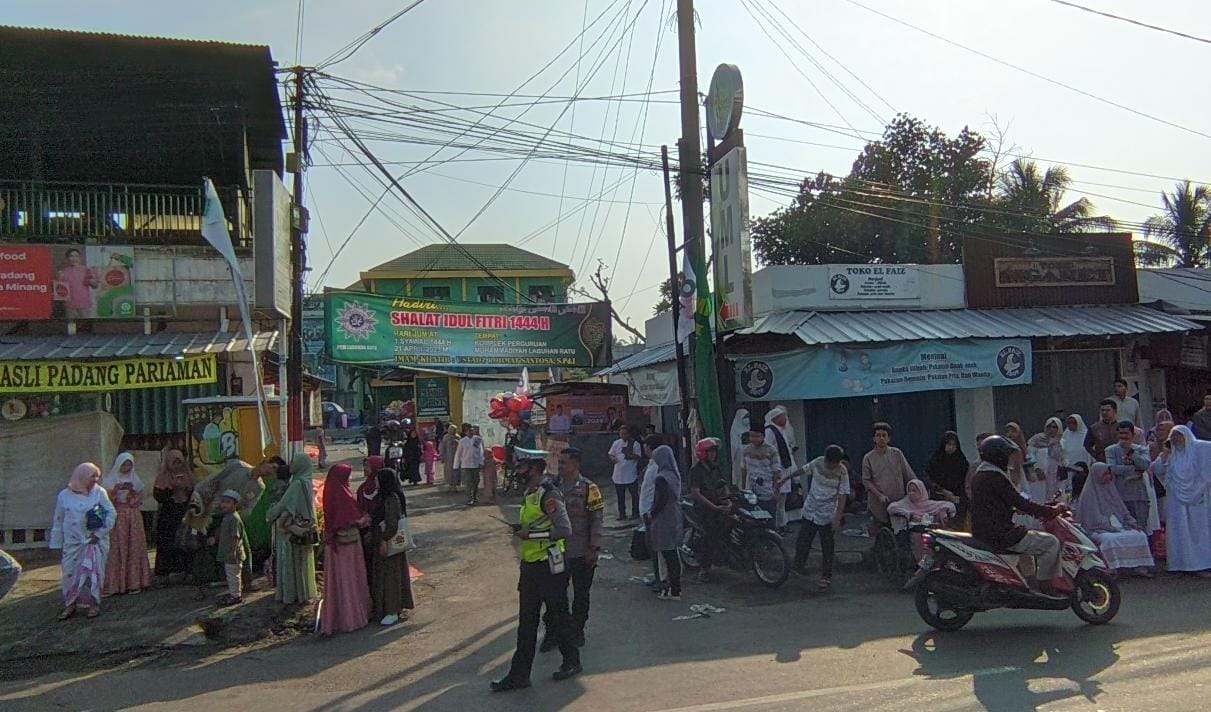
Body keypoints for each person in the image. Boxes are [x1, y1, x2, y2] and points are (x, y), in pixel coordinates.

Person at [491, 453, 581, 692]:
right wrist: (524, 529)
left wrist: (530, 535)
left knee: (559, 617)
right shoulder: (529, 493)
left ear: (535, 469)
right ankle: (519, 675)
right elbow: (538, 523)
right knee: (527, 623)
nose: (518, 472)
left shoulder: (548, 494)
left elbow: (564, 529)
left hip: (550, 566)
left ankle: (572, 661)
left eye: (523, 468)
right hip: (531, 565)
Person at [969, 436, 1067, 594]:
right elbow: (1021, 502)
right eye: (1006, 455)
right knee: (1051, 543)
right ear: (998, 456)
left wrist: (1017, 508)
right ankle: (1045, 585)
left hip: (986, 530)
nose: (1009, 460)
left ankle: (1029, 586)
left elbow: (995, 504)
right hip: (999, 533)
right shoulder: (995, 477)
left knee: (1026, 550)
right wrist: (1051, 511)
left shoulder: (981, 475)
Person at [540, 447, 604, 651]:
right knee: (553, 595)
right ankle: (554, 633)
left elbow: (597, 520)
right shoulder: (552, 488)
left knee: (581, 594)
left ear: (575, 464)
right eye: (559, 463)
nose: (560, 466)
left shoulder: (588, 488)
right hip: (557, 552)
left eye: (564, 463)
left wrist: (593, 548)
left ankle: (577, 630)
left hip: (581, 551)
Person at [50, 463, 116, 620]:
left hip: (94, 543)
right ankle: (70, 604)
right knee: (69, 574)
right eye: (91, 476)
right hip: (72, 544)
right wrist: (56, 544)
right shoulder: (64, 496)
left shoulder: (99, 493)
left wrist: (98, 534)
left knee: (93, 573)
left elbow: (111, 513)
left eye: (96, 476)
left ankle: (94, 604)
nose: (95, 479)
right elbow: (58, 520)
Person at [1074, 464, 1154, 577]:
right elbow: (1091, 519)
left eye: (1108, 474)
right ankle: (1111, 568)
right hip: (1099, 528)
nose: (1107, 477)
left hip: (1120, 525)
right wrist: (1110, 527)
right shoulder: (1089, 494)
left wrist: (1132, 522)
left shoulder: (1111, 489)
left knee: (1140, 535)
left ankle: (1138, 566)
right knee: (1110, 539)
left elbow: (1123, 510)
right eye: (1104, 474)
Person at [318, 464, 371, 634]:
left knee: (337, 582)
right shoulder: (342, 494)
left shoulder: (330, 490)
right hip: (347, 545)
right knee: (349, 580)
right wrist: (364, 519)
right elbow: (349, 519)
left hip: (333, 546)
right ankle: (352, 617)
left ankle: (337, 619)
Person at [794, 445, 850, 590]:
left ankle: (826, 575)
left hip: (827, 513)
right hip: (811, 508)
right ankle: (797, 568)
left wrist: (838, 518)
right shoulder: (818, 463)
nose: (831, 466)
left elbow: (843, 495)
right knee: (803, 541)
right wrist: (786, 478)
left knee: (827, 546)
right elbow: (804, 470)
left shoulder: (842, 472)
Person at [266, 453, 318, 605]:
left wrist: (270, 515)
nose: (291, 465)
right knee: (302, 563)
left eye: (294, 462)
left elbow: (283, 505)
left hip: (291, 530)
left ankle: (290, 594)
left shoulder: (296, 484)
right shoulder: (306, 481)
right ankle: (304, 592)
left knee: (290, 562)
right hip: (304, 529)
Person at [1162, 426, 1211, 576]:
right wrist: (1165, 454)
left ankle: (1201, 565)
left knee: (1199, 532)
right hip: (1177, 501)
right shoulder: (1173, 455)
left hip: (1198, 498)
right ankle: (1181, 564)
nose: (1176, 439)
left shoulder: (1199, 449)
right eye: (1173, 436)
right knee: (1179, 532)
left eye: (1179, 435)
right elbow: (1156, 469)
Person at [370, 467, 416, 626]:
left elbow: (392, 523)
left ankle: (393, 610)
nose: (375, 481)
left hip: (390, 545)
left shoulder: (391, 498)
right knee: (387, 577)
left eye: (377, 479)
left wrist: (383, 539)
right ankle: (387, 608)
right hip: (386, 543)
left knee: (391, 578)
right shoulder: (384, 496)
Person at [101, 452, 151, 596]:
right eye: (124, 464)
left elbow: (140, 498)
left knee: (134, 547)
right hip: (117, 517)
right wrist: (115, 491)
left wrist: (132, 491)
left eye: (129, 464)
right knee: (117, 548)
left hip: (133, 517)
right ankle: (115, 584)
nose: (127, 467)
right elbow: (105, 502)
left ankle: (135, 583)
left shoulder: (136, 480)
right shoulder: (109, 481)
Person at [688, 438, 730, 580]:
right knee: (711, 535)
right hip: (704, 509)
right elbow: (696, 493)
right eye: (710, 451)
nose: (713, 454)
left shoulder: (716, 467)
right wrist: (713, 507)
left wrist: (728, 499)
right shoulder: (696, 470)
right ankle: (705, 568)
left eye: (714, 451)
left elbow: (723, 485)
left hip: (719, 504)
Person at [646, 445, 684, 601]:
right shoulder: (674, 474)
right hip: (675, 515)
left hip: (664, 518)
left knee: (668, 555)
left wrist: (651, 514)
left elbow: (660, 500)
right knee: (673, 553)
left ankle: (673, 590)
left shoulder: (661, 478)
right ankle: (676, 588)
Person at [1104, 421, 1156, 533]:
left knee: (1141, 528)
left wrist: (1131, 453)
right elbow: (1112, 468)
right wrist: (1134, 470)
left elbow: (1145, 465)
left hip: (1139, 495)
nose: (1123, 436)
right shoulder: (1110, 450)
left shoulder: (1141, 449)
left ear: (1132, 435)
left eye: (1126, 433)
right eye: (1120, 433)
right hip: (1120, 495)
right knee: (1123, 528)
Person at [861, 422, 916, 525]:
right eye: (878, 435)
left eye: (884, 435)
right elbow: (866, 481)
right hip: (878, 503)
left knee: (900, 532)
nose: (881, 438)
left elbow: (908, 473)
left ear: (888, 438)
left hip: (898, 501)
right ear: (874, 438)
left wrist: (917, 489)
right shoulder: (868, 457)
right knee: (881, 535)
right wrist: (879, 495)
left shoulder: (897, 453)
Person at [152, 449, 193, 584]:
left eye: (179, 462)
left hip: (184, 514)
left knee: (183, 542)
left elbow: (193, 492)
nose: (176, 466)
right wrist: (171, 489)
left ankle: (185, 571)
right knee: (167, 544)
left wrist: (184, 489)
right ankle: (165, 573)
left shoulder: (187, 474)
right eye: (174, 462)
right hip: (168, 517)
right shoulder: (163, 477)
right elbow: (158, 496)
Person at [764, 405, 799, 531]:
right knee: (776, 499)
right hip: (777, 470)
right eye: (783, 416)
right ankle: (775, 526)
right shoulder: (770, 431)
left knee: (782, 500)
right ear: (776, 418)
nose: (785, 418)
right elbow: (768, 450)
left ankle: (782, 524)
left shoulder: (782, 430)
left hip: (784, 469)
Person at [923, 432, 970, 523]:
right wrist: (942, 491)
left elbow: (966, 480)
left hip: (958, 501)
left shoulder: (961, 461)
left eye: (953, 444)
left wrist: (958, 497)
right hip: (939, 500)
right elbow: (927, 478)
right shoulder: (935, 460)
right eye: (948, 444)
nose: (951, 447)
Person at [213, 490, 247, 605]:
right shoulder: (227, 517)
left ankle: (236, 596)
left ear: (235, 504)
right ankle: (234, 593)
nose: (224, 505)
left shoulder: (234, 518)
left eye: (227, 502)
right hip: (228, 553)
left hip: (233, 554)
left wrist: (232, 551)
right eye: (223, 502)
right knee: (231, 574)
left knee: (233, 575)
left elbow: (235, 537)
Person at [740, 426, 783, 518]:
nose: (753, 439)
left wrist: (776, 490)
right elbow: (743, 470)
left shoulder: (771, 450)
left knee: (769, 519)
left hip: (768, 492)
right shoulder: (746, 450)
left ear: (763, 436)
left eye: (757, 436)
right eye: (751, 436)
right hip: (751, 492)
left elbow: (777, 472)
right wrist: (743, 488)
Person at [608, 425, 643, 520]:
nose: (623, 436)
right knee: (620, 497)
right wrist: (613, 459)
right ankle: (622, 514)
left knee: (634, 495)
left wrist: (630, 454)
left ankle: (635, 513)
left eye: (625, 434)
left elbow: (639, 457)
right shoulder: (616, 443)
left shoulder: (635, 444)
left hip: (630, 473)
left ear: (629, 434)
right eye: (621, 434)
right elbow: (611, 454)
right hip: (618, 474)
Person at [1027, 418, 1066, 501]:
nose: (1051, 429)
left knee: (1055, 498)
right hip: (1040, 474)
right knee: (1039, 498)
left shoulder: (1061, 442)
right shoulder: (1037, 439)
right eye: (1049, 427)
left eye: (1055, 427)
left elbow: (1063, 459)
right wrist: (1036, 468)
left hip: (1055, 475)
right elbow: (1030, 455)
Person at [454, 423, 485, 505]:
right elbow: (458, 454)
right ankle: (469, 498)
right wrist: (456, 465)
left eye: (471, 430)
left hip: (475, 464)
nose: (471, 432)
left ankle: (474, 497)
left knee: (476, 482)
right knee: (468, 483)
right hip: (466, 465)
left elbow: (481, 452)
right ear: (465, 432)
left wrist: (481, 462)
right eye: (468, 431)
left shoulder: (478, 439)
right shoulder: (462, 441)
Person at [1061, 414, 1093, 484]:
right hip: (1068, 467)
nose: (1070, 425)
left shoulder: (1086, 434)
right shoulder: (1065, 435)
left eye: (1072, 422)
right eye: (1068, 423)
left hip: (1083, 467)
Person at [729, 408, 751, 487]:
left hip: (749, 455)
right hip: (739, 455)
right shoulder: (735, 429)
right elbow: (734, 444)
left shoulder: (748, 427)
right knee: (739, 475)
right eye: (745, 417)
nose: (747, 419)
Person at [441, 426, 460, 492]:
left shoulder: (457, 436)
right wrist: (442, 456)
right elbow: (442, 447)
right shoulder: (446, 437)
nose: (452, 431)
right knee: (448, 471)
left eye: (453, 429)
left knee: (456, 471)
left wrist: (456, 441)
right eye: (450, 429)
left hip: (456, 457)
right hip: (448, 457)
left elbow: (460, 446)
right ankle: (449, 485)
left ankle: (454, 485)